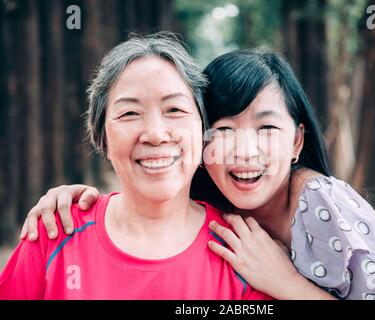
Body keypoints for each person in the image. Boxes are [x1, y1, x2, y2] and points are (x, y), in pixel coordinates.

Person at [19, 48, 375, 300]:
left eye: (267, 129)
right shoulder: (223, 218)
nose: (243, 152)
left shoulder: (319, 204)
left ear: (297, 142)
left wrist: (288, 285)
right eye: (224, 131)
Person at [0, 33, 273, 300]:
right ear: (102, 137)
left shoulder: (243, 253)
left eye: (174, 110)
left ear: (204, 130)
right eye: (130, 113)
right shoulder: (54, 231)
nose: (155, 134)